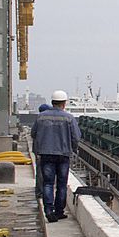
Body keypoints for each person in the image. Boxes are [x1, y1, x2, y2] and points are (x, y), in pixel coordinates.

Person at [30, 90, 81, 223]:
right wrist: (73, 149)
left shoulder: (41, 117)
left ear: (52, 102)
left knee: (48, 183)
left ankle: (49, 211)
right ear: (64, 103)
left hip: (46, 154)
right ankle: (59, 212)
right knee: (62, 184)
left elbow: (33, 133)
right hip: (63, 155)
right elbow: (76, 137)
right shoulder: (69, 118)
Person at [33, 103, 51, 213]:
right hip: (42, 151)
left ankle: (40, 192)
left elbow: (33, 134)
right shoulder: (43, 122)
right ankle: (40, 193)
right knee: (42, 173)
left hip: (39, 151)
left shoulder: (39, 121)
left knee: (40, 172)